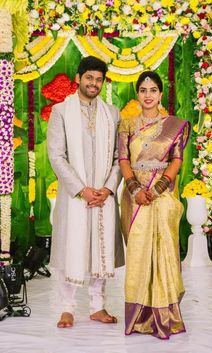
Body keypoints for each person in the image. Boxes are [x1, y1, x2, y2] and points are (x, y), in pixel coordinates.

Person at [47, 56, 124, 328]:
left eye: (99, 79)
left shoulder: (112, 113)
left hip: (103, 195)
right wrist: (82, 190)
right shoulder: (61, 112)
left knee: (100, 248)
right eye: (89, 78)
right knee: (71, 246)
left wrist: (107, 188)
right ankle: (67, 307)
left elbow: (119, 157)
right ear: (78, 78)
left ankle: (97, 305)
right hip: (75, 196)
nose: (94, 83)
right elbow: (56, 156)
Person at [118, 71, 190, 340]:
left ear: (160, 94)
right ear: (138, 94)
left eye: (153, 90)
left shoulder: (174, 124)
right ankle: (138, 317)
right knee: (137, 252)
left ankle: (165, 316)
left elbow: (177, 158)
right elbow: (123, 159)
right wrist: (135, 188)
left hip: (162, 195)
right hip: (135, 196)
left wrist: (159, 187)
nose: (147, 95)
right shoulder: (126, 124)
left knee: (164, 250)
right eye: (143, 90)